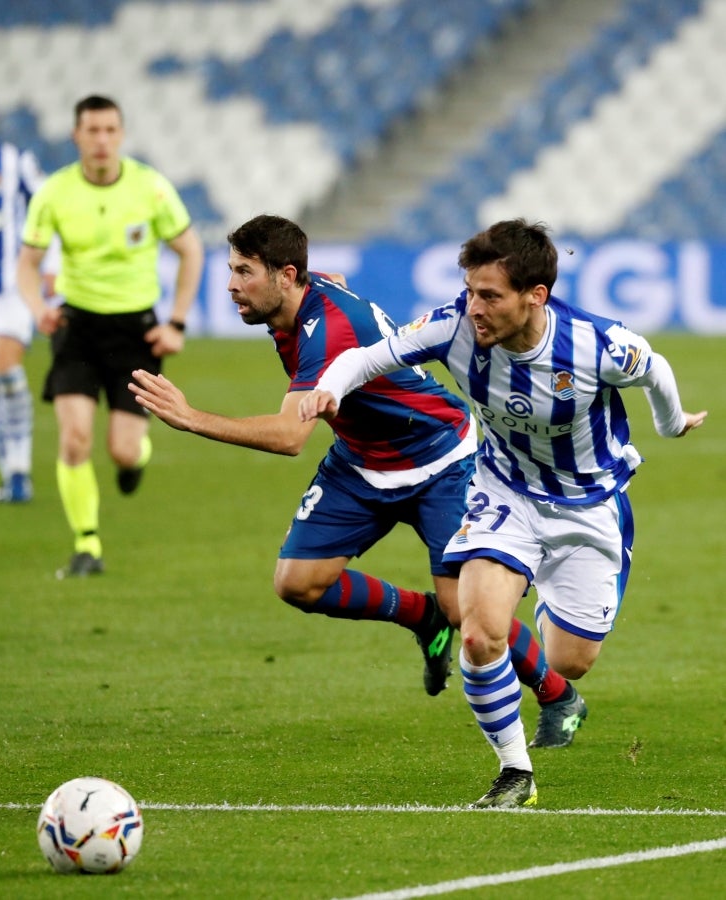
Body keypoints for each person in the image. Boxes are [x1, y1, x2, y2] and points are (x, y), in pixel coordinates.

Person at [128, 214, 586, 744]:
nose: (231, 284)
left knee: (469, 611)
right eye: (231, 269)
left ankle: (559, 695)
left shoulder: (329, 332)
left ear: (285, 275)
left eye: (244, 271)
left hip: (439, 459)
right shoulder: (304, 294)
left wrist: (191, 418)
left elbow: (289, 436)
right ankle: (421, 617)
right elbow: (329, 284)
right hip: (361, 459)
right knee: (297, 584)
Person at [298, 218, 707, 807]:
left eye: (489, 295)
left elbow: (657, 370)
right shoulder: (453, 326)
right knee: (482, 631)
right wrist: (330, 388)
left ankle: (547, 606)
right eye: (470, 290)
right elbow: (367, 358)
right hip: (504, 492)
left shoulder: (597, 344)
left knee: (572, 660)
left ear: (535, 296)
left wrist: (672, 424)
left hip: (589, 508)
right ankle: (516, 773)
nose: (474, 306)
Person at [16, 94, 204, 577]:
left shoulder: (151, 188)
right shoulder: (55, 193)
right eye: (92, 130)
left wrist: (176, 322)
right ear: (76, 135)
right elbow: (27, 263)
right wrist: (39, 308)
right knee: (75, 440)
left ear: (120, 135)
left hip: (135, 332)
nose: (101, 140)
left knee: (122, 448)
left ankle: (133, 461)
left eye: (109, 130)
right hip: (76, 327)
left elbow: (191, 251)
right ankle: (87, 545)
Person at [0, 132, 45, 503]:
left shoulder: (15, 162)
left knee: (5, 368)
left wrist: (52, 265)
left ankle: (19, 471)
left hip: (10, 288)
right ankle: (11, 472)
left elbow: (49, 207)